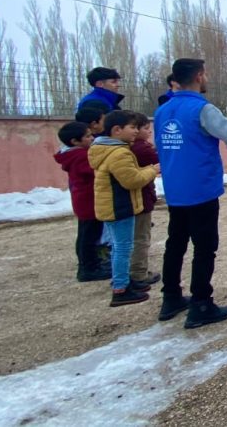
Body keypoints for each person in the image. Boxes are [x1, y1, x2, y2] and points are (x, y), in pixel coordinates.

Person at [154, 58, 227, 328]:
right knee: (205, 248)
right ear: (198, 76)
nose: (206, 78)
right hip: (200, 188)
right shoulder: (202, 109)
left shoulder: (163, 110)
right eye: (205, 74)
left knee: (175, 243)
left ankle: (171, 297)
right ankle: (201, 303)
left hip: (175, 188)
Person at [88, 110, 160, 307]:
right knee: (123, 247)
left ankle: (123, 281)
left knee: (119, 246)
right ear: (117, 130)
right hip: (120, 206)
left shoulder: (107, 149)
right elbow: (132, 180)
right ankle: (121, 288)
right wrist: (152, 170)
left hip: (113, 206)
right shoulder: (119, 153)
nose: (136, 131)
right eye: (133, 127)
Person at [54, 121, 108, 282]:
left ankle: (91, 264)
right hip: (89, 202)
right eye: (88, 136)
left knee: (87, 234)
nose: (92, 138)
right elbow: (97, 171)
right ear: (74, 141)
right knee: (89, 236)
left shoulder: (73, 154)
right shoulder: (81, 156)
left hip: (85, 200)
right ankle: (89, 268)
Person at [128, 113, 161, 290]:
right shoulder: (141, 149)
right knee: (141, 237)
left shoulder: (129, 147)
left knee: (130, 238)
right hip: (140, 199)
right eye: (145, 129)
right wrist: (153, 170)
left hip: (135, 199)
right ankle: (138, 273)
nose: (149, 132)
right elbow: (161, 161)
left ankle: (127, 272)